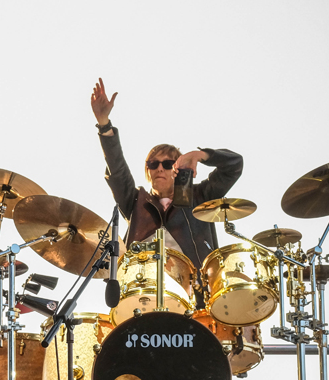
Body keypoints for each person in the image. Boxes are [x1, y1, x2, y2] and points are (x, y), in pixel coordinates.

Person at [90, 77, 244, 274]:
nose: (159, 168)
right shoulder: (135, 201)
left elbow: (234, 165)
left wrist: (202, 155)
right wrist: (104, 124)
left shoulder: (199, 197)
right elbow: (117, 170)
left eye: (167, 163)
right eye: (153, 164)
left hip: (193, 291)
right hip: (141, 289)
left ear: (177, 169)